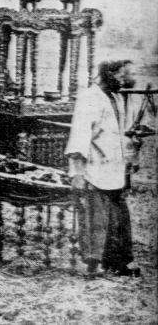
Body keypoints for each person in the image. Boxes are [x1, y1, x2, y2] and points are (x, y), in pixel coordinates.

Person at [65, 60, 142, 277]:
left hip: (115, 170)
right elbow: (80, 136)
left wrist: (130, 157)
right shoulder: (89, 97)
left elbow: (120, 134)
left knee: (119, 219)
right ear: (109, 74)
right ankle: (93, 264)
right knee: (95, 218)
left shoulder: (117, 96)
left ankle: (119, 262)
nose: (127, 81)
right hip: (95, 168)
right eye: (123, 76)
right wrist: (78, 173)